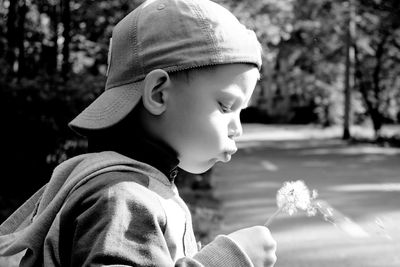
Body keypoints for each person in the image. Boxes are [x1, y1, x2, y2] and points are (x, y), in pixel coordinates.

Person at [0, 0, 277, 266]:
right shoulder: (122, 198)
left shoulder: (127, 184)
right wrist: (229, 260)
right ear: (158, 93)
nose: (237, 128)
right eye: (226, 105)